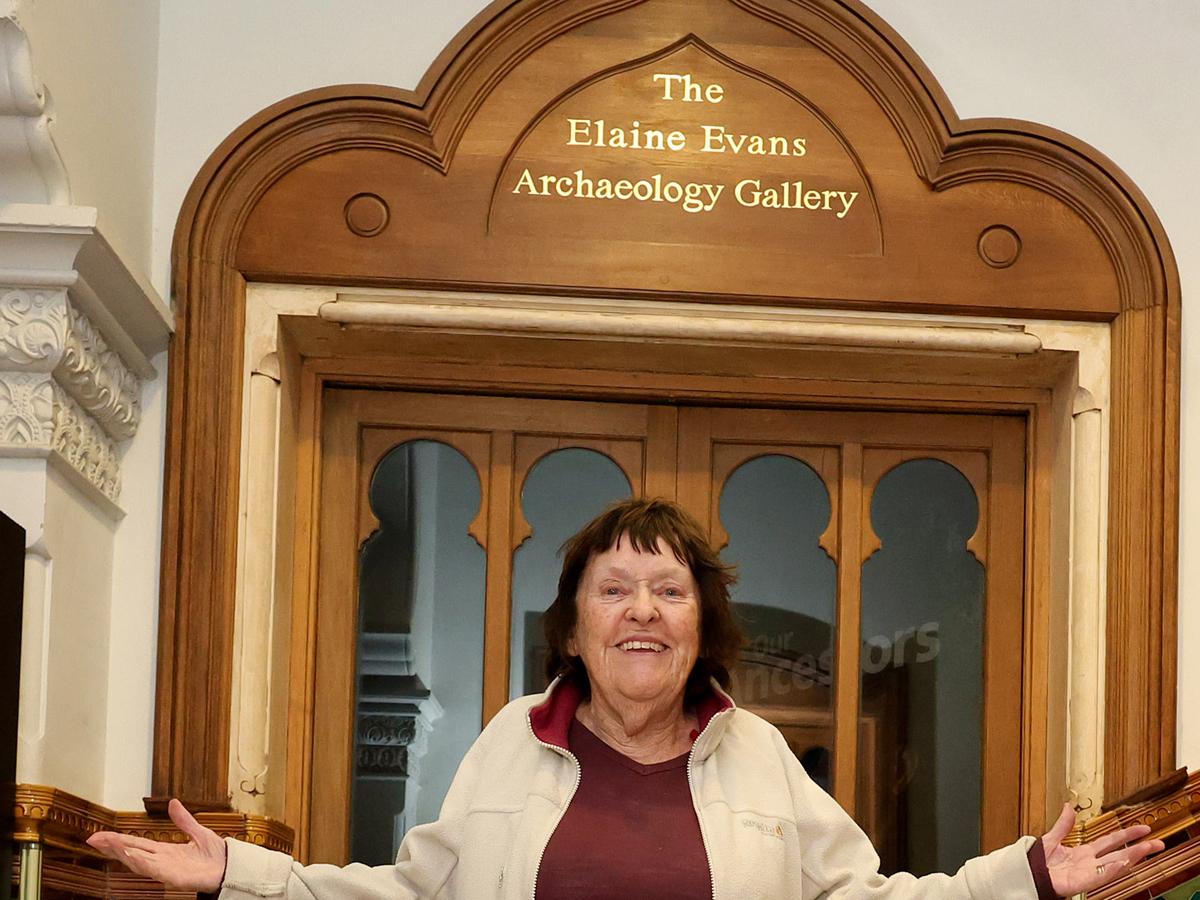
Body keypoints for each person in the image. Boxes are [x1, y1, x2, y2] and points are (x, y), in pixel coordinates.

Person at [88, 498, 1162, 900]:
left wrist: (1022, 878)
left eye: (668, 589)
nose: (641, 610)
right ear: (574, 627)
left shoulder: (754, 756)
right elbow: (412, 898)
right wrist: (239, 871)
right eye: (614, 588)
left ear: (701, 627)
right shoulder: (515, 740)